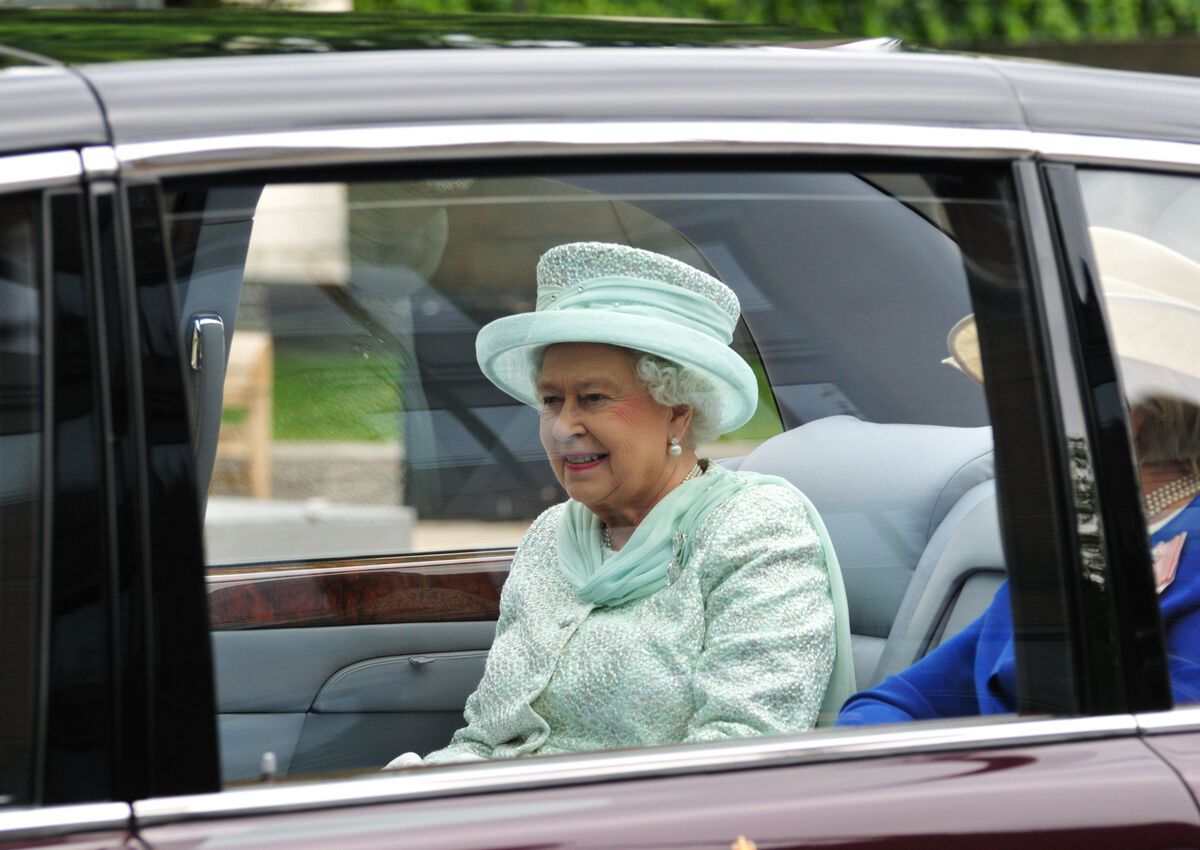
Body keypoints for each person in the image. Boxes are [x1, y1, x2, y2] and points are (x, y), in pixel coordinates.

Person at [387, 242, 855, 768]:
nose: (564, 427)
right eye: (551, 400)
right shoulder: (550, 535)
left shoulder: (754, 527)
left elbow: (741, 754)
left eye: (594, 398)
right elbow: (487, 738)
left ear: (679, 412)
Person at [838, 395, 1200, 726]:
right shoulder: (1084, 544)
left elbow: (1159, 746)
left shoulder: (1184, 545)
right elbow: (903, 700)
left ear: (1127, 419)